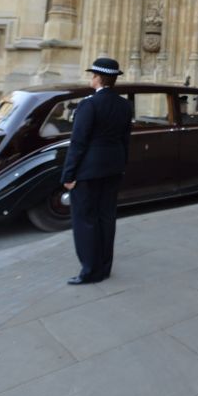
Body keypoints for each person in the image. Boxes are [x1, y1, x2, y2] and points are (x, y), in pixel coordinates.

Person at [61, 57, 132, 285]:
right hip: (113, 168)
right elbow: (125, 140)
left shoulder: (88, 104)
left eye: (93, 75)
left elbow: (78, 142)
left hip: (88, 171)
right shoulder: (124, 105)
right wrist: (122, 165)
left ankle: (90, 271)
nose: (91, 78)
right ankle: (104, 266)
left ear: (98, 78)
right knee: (106, 218)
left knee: (85, 220)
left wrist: (68, 175)